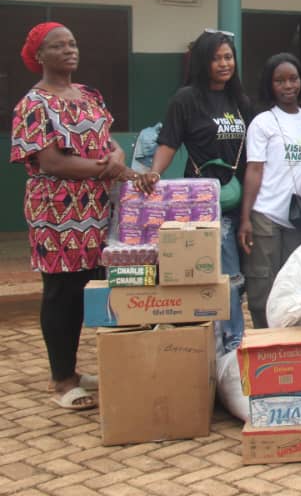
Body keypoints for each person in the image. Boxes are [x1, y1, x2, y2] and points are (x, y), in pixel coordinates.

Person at [11, 22, 135, 410]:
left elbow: (109, 140)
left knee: (86, 289)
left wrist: (116, 156)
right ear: (39, 55)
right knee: (61, 293)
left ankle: (75, 369)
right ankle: (61, 379)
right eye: (58, 46)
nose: (70, 50)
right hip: (57, 213)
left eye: (73, 44)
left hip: (95, 210)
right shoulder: (33, 104)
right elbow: (49, 161)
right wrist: (106, 168)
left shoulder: (88, 94)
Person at [135, 30, 252, 351]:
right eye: (216, 58)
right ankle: (227, 342)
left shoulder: (240, 101)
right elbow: (169, 141)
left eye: (228, 57)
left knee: (235, 278)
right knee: (220, 275)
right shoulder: (186, 99)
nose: (224, 64)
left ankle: (225, 339)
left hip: (239, 199)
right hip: (202, 202)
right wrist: (153, 173)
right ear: (203, 62)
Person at [238, 53, 301, 328]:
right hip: (265, 214)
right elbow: (254, 171)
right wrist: (245, 219)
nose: (288, 86)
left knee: (293, 284)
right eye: (279, 81)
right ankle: (266, 340)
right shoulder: (263, 122)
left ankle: (290, 340)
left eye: (293, 79)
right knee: (262, 285)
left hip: (296, 217)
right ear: (270, 86)